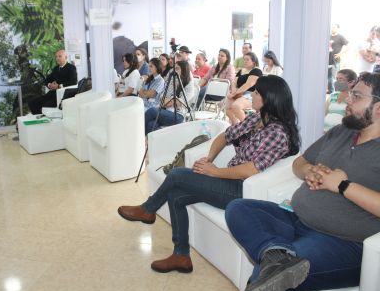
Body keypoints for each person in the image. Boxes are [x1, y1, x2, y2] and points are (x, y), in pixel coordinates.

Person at [119, 75, 300, 273]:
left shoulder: (277, 132)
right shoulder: (258, 118)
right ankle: (181, 256)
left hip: (240, 190)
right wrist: (210, 159)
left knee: (177, 175)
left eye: (256, 93)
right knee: (175, 194)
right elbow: (224, 136)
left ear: (269, 98)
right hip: (227, 180)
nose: (252, 95)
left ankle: (148, 209)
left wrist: (215, 173)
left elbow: (251, 169)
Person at [225, 72, 380, 291]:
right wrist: (311, 171)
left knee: (271, 276)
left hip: (342, 242)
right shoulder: (341, 131)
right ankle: (275, 253)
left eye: (356, 95)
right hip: (296, 218)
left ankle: (278, 259)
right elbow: (299, 162)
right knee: (238, 208)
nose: (347, 99)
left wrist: (343, 186)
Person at [143, 60, 194, 135]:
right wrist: (171, 101)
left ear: (184, 70)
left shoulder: (189, 85)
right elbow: (162, 97)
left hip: (178, 115)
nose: (174, 71)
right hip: (165, 111)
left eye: (177, 68)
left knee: (152, 111)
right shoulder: (172, 81)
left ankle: (140, 138)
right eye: (174, 68)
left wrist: (170, 101)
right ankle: (148, 143)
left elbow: (181, 102)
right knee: (151, 124)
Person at [27, 49, 77, 114]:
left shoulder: (71, 68)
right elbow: (47, 80)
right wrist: (49, 85)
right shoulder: (55, 69)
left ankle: (44, 119)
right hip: (52, 94)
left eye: (60, 56)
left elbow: (73, 82)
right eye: (56, 56)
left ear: (66, 57)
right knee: (32, 102)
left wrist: (59, 86)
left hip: (62, 95)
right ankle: (40, 119)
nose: (57, 58)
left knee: (45, 105)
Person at [225, 52, 263, 124]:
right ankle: (235, 124)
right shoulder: (241, 70)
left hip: (251, 94)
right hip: (238, 93)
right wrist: (233, 91)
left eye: (247, 60)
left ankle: (248, 127)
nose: (244, 61)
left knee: (236, 106)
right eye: (244, 59)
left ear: (253, 61)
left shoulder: (256, 71)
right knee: (226, 107)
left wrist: (235, 93)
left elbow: (249, 84)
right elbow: (234, 82)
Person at [328, 24, 349, 93]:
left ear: (337, 29)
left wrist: (340, 54)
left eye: (334, 27)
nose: (332, 29)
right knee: (328, 77)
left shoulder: (340, 37)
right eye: (332, 27)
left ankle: (335, 93)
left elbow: (347, 46)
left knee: (334, 77)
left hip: (335, 61)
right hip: (327, 60)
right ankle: (330, 91)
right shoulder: (328, 36)